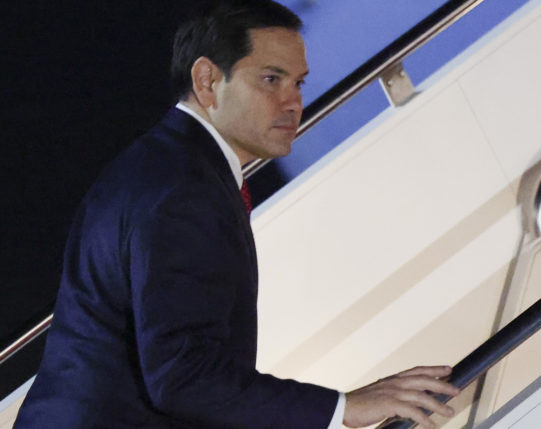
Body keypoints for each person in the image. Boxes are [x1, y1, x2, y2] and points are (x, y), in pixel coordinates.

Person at [13, 1, 459, 428]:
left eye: (298, 84)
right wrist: (344, 407)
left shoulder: (167, 164)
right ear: (207, 80)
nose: (292, 102)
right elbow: (181, 374)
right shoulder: (181, 189)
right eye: (270, 79)